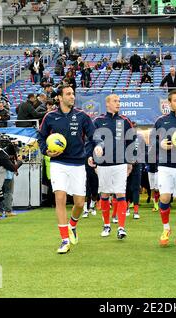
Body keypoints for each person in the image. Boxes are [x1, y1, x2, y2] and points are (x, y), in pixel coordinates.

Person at [38, 85, 103, 254]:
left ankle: (72, 225)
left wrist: (99, 146)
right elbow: (41, 137)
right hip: (58, 163)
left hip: (78, 164)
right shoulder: (50, 117)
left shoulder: (82, 116)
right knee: (59, 198)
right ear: (59, 97)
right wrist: (45, 150)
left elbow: (94, 136)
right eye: (68, 94)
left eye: (73, 93)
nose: (72, 96)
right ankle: (64, 240)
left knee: (80, 203)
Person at [90, 94, 135, 240]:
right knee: (104, 194)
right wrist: (92, 156)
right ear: (107, 103)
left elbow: (132, 142)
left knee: (120, 193)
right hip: (103, 164)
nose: (118, 103)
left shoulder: (125, 121)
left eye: (119, 101)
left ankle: (121, 228)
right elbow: (92, 140)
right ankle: (107, 225)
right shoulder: (98, 121)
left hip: (121, 163)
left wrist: (130, 162)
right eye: (115, 101)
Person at [151, 90, 176, 247]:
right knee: (165, 198)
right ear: (169, 103)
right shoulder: (161, 121)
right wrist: (160, 145)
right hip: (165, 166)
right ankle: (166, 229)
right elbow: (152, 142)